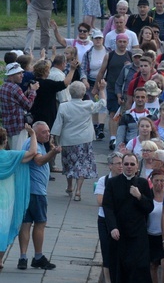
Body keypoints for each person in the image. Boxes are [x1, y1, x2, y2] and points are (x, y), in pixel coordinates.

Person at [102, 153, 156, 283]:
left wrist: (139, 196)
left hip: (138, 233)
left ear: (137, 167)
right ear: (122, 165)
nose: (129, 167)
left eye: (132, 164)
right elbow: (108, 207)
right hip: (119, 232)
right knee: (120, 267)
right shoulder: (112, 183)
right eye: (126, 164)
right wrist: (112, 227)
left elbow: (149, 207)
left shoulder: (142, 183)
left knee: (138, 267)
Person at [50, 80, 107, 201]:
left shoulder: (64, 106)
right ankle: (78, 190)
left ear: (70, 93)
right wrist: (102, 90)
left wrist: (53, 137)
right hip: (84, 140)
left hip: (68, 140)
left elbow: (58, 123)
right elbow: (102, 104)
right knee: (82, 165)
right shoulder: (88, 104)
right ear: (83, 93)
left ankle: (69, 186)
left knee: (68, 163)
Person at [16, 122, 60, 271]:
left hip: (29, 190)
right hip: (36, 192)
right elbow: (39, 161)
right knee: (40, 223)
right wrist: (54, 153)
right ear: (35, 132)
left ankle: (23, 258)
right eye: (43, 132)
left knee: (26, 223)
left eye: (48, 131)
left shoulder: (37, 143)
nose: (47, 134)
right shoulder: (32, 143)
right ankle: (38, 257)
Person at [0, 125, 37, 264]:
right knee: (4, 228)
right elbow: (32, 152)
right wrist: (32, 134)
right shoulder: (12, 156)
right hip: (7, 199)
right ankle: (0, 259)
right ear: (5, 141)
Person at [94, 152, 124, 283]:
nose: (121, 166)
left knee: (121, 252)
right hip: (105, 220)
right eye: (118, 163)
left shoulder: (126, 180)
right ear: (110, 165)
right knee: (107, 252)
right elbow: (100, 201)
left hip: (122, 221)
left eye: (122, 163)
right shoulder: (103, 181)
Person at [0, 62, 39, 150]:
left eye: (21, 73)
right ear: (11, 75)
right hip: (18, 127)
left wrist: (27, 93)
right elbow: (28, 105)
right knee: (20, 154)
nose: (22, 75)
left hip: (8, 126)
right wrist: (33, 91)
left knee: (12, 153)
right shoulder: (15, 88)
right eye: (18, 73)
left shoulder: (3, 86)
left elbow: (15, 100)